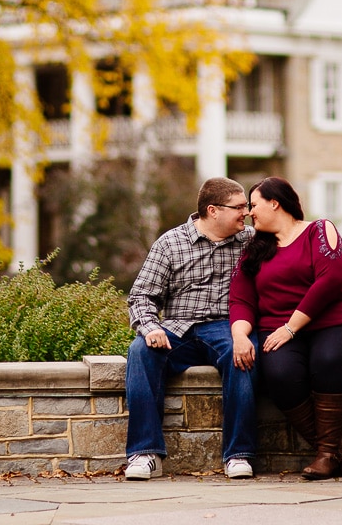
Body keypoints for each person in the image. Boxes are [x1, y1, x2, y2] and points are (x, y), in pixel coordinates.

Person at [230, 176, 342, 480]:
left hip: (337, 325)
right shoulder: (255, 250)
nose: (250, 213)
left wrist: (291, 327)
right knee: (279, 373)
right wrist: (239, 335)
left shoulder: (320, 231)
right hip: (278, 331)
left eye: (254, 205)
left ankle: (324, 456)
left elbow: (330, 279)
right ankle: (334, 454)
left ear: (275, 203)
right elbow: (241, 300)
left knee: (328, 359)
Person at [123, 177, 258, 481]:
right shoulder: (171, 243)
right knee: (140, 350)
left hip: (226, 327)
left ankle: (238, 454)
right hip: (178, 329)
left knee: (244, 354)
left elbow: (294, 272)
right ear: (213, 210)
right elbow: (142, 295)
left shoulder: (251, 241)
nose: (246, 212)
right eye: (239, 207)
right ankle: (145, 453)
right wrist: (149, 327)